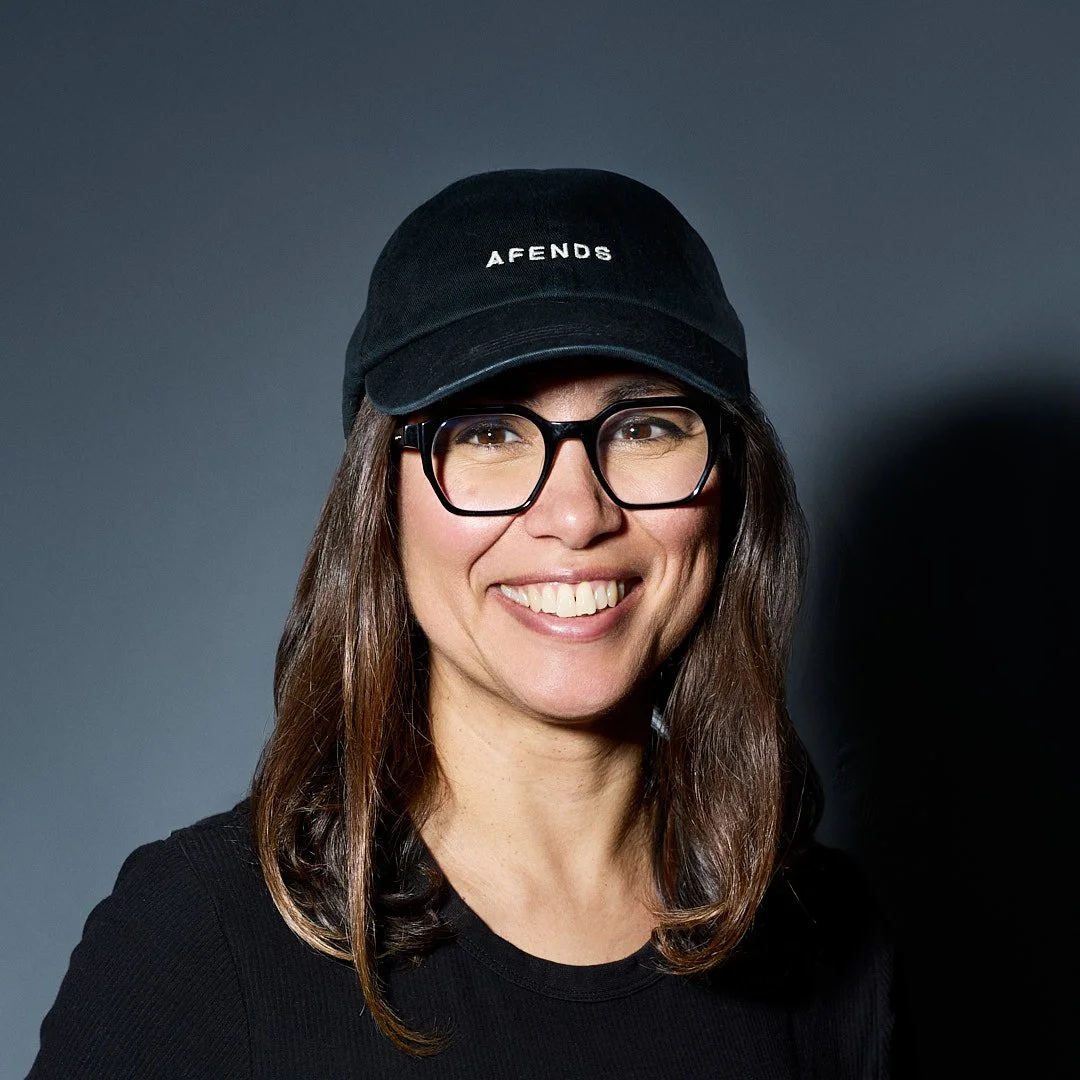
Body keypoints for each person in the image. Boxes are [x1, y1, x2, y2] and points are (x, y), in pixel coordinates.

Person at [28, 169, 897, 1078]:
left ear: (729, 485)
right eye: (487, 433)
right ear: (382, 500)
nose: (574, 514)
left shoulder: (828, 942)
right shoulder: (202, 939)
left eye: (643, 428)